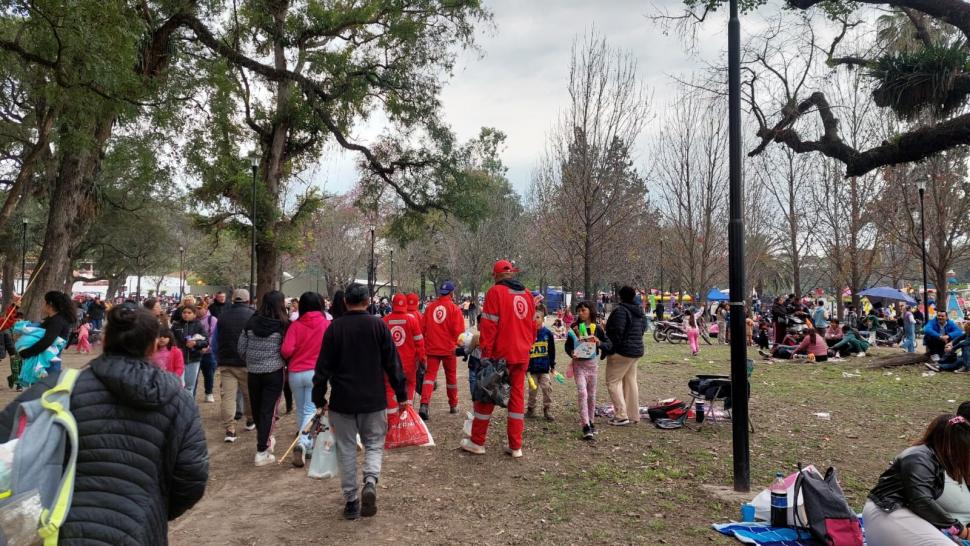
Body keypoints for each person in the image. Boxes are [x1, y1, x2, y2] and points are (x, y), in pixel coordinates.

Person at [0, 304, 208, 544]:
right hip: (139, 530)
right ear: (153, 345)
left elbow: (6, 435)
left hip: (65, 527)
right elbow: (192, 477)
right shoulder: (179, 400)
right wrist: (154, 509)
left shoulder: (60, 388)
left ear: (105, 339)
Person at [312, 283, 407, 520]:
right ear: (367, 301)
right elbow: (393, 364)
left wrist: (318, 397)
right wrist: (401, 394)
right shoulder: (378, 326)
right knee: (374, 443)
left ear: (345, 302)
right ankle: (371, 480)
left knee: (345, 449)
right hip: (373, 399)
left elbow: (322, 368)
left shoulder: (334, 329)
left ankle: (351, 501)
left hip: (342, 400)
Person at [462, 260, 536, 457]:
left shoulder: (495, 293)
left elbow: (488, 327)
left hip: (500, 355)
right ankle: (515, 446)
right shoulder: (527, 294)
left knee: (486, 396)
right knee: (517, 399)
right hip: (521, 354)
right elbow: (532, 325)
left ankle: (477, 442)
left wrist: (486, 355)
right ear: (512, 274)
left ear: (496, 276)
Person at [864, 414, 970, 546]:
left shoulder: (934, 459)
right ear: (950, 445)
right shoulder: (918, 457)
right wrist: (961, 530)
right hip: (888, 511)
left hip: (901, 512)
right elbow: (920, 500)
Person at [238, 290, 289, 466]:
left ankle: (264, 441)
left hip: (253, 373)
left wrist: (252, 360)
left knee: (259, 409)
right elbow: (287, 349)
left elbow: (241, 348)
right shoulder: (283, 324)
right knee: (268, 410)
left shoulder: (250, 322)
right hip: (274, 372)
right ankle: (262, 449)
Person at [280, 292, 330, 467]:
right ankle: (302, 443)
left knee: (302, 409)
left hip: (295, 372)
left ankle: (307, 445)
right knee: (311, 409)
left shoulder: (295, 326)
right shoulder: (326, 324)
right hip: (316, 372)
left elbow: (286, 350)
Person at [564, 301, 611, 441]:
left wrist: (599, 343)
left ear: (590, 311)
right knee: (582, 393)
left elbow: (609, 344)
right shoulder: (574, 328)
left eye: (583, 310)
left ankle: (591, 422)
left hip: (592, 365)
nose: (580, 313)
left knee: (591, 395)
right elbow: (568, 346)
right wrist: (571, 352)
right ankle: (585, 425)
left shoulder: (597, 328)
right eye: (578, 311)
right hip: (578, 365)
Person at [215, 288, 256, 443]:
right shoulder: (253, 315)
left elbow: (215, 340)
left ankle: (230, 429)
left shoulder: (223, 316)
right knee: (249, 394)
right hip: (246, 362)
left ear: (232, 300)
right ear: (248, 300)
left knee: (228, 397)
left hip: (226, 362)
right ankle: (250, 419)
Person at [420, 281, 465, 418]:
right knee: (451, 378)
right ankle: (453, 404)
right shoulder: (454, 309)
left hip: (432, 348)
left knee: (429, 377)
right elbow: (459, 332)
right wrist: (461, 347)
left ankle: (424, 404)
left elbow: (423, 329)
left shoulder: (430, 308)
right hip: (449, 349)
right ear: (451, 293)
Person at [604, 285, 645, 427]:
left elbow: (616, 332)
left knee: (612, 381)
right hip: (636, 351)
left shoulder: (621, 311)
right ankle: (633, 414)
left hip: (622, 352)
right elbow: (642, 329)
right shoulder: (639, 311)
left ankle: (621, 415)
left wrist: (611, 349)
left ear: (620, 296)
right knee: (630, 381)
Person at [19, 291, 75, 376]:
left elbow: (47, 341)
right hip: (45, 360)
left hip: (48, 363)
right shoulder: (53, 318)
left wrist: (26, 353)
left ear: (50, 304)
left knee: (46, 387)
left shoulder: (57, 321)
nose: (43, 304)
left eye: (45, 302)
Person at [171, 305, 208, 398]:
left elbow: (206, 341)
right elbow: (170, 340)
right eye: (184, 312)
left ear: (194, 314)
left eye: (189, 313)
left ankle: (188, 409)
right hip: (178, 360)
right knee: (178, 385)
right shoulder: (176, 326)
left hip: (193, 359)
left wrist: (195, 343)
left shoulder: (199, 325)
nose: (186, 315)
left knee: (190, 386)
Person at [527, 309, 556, 421]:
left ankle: (547, 409)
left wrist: (552, 365)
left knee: (547, 388)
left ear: (543, 319)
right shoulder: (528, 333)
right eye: (533, 317)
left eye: (537, 317)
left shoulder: (547, 333)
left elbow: (552, 351)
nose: (535, 319)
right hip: (531, 368)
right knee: (532, 390)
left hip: (544, 368)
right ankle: (531, 409)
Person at [198, 304, 218, 403]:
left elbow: (214, 335)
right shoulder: (192, 320)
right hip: (195, 351)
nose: (198, 311)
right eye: (196, 308)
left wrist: (207, 346)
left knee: (209, 373)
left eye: (200, 308)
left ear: (206, 308)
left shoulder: (212, 319)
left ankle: (209, 392)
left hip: (209, 352)